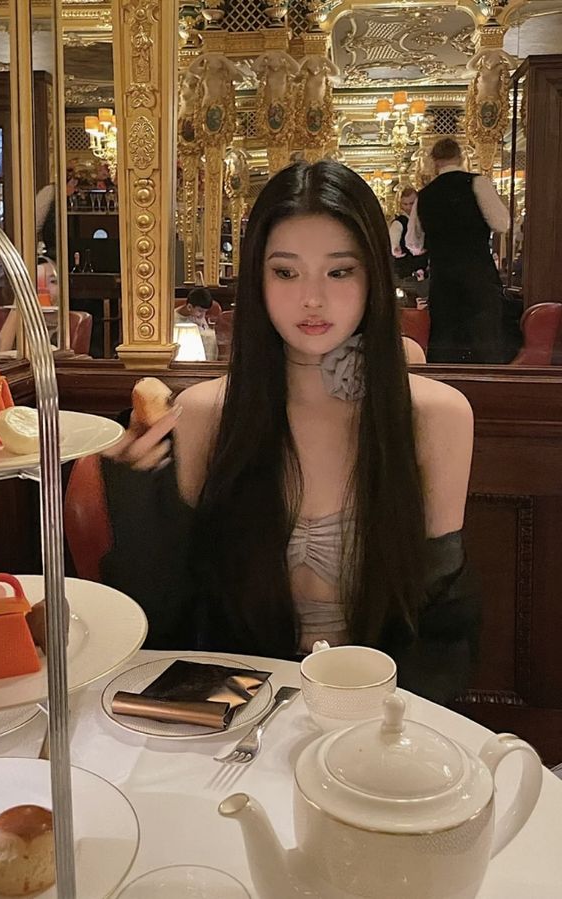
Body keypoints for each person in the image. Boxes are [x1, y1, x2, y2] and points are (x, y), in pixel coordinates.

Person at [99, 160, 479, 705]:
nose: (312, 299)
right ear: (257, 278)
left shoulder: (436, 416)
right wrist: (137, 494)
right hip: (238, 715)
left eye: (340, 271)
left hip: (377, 714)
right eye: (285, 271)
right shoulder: (206, 415)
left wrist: (388, 736)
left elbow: (443, 631)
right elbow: (165, 621)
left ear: (374, 275)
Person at [407, 138, 511, 363]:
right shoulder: (478, 183)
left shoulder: (424, 196)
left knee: (446, 347)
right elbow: (502, 223)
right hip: (479, 279)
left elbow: (413, 243)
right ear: (461, 157)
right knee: (486, 345)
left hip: (444, 282)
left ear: (434, 162)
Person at [390, 187, 428, 285]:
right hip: (407, 271)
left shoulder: (424, 219)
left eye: (411, 203)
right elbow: (394, 238)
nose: (408, 208)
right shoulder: (399, 222)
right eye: (405, 204)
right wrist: (395, 248)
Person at [175, 287, 218, 361]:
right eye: (200, 311)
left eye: (205, 312)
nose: (202, 315)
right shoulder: (174, 318)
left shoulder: (198, 316)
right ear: (189, 307)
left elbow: (207, 337)